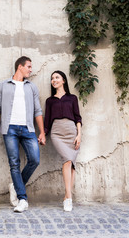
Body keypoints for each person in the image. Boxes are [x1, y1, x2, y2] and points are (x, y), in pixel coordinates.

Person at [0, 56, 46, 213]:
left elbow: (38, 111)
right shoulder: (3, 85)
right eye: (28, 66)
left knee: (34, 160)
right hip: (10, 129)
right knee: (14, 163)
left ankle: (16, 185)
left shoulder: (32, 87)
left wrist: (42, 131)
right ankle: (23, 199)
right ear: (19, 67)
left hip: (28, 129)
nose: (31, 69)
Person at [44, 70, 82, 212]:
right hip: (57, 133)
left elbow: (78, 118)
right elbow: (47, 121)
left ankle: (66, 197)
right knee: (67, 160)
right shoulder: (50, 101)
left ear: (63, 80)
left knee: (71, 164)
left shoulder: (72, 98)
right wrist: (42, 135)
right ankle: (69, 197)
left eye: (57, 77)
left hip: (71, 132)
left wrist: (79, 135)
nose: (54, 80)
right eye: (52, 78)